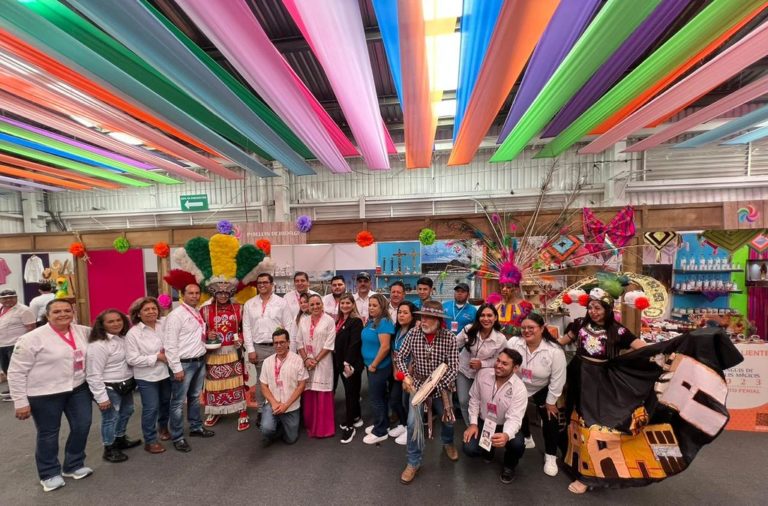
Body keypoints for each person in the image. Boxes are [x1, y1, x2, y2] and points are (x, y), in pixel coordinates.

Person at [559, 288, 645, 494]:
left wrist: (659, 351)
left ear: (608, 309)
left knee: (592, 424)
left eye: (598, 308)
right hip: (577, 374)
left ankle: (589, 475)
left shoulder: (618, 331)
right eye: (590, 307)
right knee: (573, 420)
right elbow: (562, 342)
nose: (593, 311)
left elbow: (639, 345)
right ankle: (574, 464)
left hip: (600, 380)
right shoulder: (579, 324)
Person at [8, 299, 93, 492]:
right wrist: (20, 401)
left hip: (77, 388)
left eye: (67, 310)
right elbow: (16, 372)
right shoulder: (31, 338)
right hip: (44, 393)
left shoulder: (82, 331)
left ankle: (74, 464)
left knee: (83, 425)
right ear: (47, 315)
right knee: (48, 433)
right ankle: (49, 473)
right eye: (57, 312)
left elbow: (107, 333)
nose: (63, 314)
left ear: (73, 312)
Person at [396, 301, 459, 484]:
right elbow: (399, 356)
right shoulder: (413, 333)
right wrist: (406, 376)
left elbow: (454, 367)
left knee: (449, 420)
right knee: (411, 424)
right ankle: (413, 462)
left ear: (438, 320)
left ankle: (448, 442)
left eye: (429, 317)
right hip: (417, 385)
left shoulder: (449, 338)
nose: (424, 320)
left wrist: (436, 387)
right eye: (423, 316)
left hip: (442, 386)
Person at [506, 313, 566, 477]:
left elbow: (558, 378)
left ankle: (551, 455)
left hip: (542, 387)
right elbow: (505, 361)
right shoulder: (514, 343)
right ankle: (527, 437)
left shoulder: (554, 351)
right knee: (519, 412)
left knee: (550, 418)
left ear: (541, 328)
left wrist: (551, 401)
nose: (526, 331)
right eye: (524, 328)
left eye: (531, 327)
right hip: (519, 385)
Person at [463, 349, 528, 484]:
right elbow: (474, 399)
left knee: (517, 445)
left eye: (505, 363)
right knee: (469, 448)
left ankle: (509, 466)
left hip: (505, 425)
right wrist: (473, 424)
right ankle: (488, 450)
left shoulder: (519, 389)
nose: (498, 365)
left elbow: (514, 418)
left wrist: (506, 435)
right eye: (498, 360)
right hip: (484, 422)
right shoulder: (483, 374)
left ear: (515, 368)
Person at [163, 283, 214, 453]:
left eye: (197, 293)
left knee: (194, 397)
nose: (194, 296)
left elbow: (191, 336)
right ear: (182, 294)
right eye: (190, 293)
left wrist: (208, 336)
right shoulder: (176, 316)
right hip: (184, 363)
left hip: (199, 360)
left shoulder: (196, 311)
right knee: (178, 402)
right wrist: (176, 368)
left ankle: (196, 427)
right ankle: (177, 436)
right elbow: (169, 345)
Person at [86, 309, 141, 463]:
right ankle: (109, 448)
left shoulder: (123, 339)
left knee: (127, 411)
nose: (116, 323)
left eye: (118, 320)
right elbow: (93, 374)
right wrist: (101, 397)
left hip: (125, 385)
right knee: (110, 418)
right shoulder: (98, 345)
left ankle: (120, 438)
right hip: (109, 387)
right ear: (102, 325)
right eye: (110, 321)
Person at [199, 283, 249, 432]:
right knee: (214, 383)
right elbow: (198, 330)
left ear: (230, 294)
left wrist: (240, 337)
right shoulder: (205, 310)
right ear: (214, 294)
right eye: (219, 293)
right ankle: (215, 411)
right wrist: (207, 334)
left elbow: (246, 328)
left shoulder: (240, 308)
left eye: (226, 294)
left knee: (236, 382)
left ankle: (242, 412)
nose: (223, 296)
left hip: (233, 351)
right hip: (213, 353)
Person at [125, 297, 171, 454]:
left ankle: (163, 428)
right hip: (146, 376)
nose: (151, 311)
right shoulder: (133, 333)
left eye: (154, 308)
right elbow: (132, 359)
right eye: (146, 309)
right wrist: (157, 357)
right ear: (138, 314)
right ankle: (150, 440)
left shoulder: (163, 324)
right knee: (151, 408)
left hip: (166, 373)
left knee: (166, 403)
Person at [243, 273, 292, 411]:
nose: (262, 285)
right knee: (261, 381)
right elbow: (246, 327)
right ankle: (261, 410)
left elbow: (288, 325)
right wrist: (250, 349)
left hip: (279, 347)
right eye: (259, 283)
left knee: (281, 379)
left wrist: (289, 348)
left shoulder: (281, 303)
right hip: (259, 348)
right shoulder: (249, 304)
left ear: (272, 284)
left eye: (265, 282)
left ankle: (282, 407)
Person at [455, 303, 507, 425]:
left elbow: (502, 360)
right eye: (482, 315)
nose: (486, 319)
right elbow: (453, 345)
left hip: (484, 373)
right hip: (464, 370)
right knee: (463, 401)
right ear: (478, 317)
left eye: (489, 315)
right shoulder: (469, 329)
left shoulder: (500, 339)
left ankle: (483, 427)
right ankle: (470, 427)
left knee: (483, 403)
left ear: (495, 317)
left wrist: (482, 364)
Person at [260, 329, 309, 446]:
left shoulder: (297, 360)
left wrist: (286, 405)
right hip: (273, 405)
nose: (279, 345)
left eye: (282, 342)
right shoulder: (267, 362)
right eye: (276, 343)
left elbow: (301, 385)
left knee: (291, 439)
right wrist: (274, 403)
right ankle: (270, 425)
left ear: (288, 343)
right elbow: (263, 386)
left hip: (290, 406)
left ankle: (281, 425)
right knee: (266, 429)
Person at [296, 294, 336, 438]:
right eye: (312, 304)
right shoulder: (304, 321)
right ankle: (310, 425)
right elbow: (299, 341)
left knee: (322, 393)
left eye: (318, 303)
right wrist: (306, 359)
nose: (315, 307)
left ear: (322, 304)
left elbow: (329, 344)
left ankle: (324, 429)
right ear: (308, 306)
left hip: (323, 362)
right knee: (309, 391)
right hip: (307, 362)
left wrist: (316, 360)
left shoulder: (329, 321)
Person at [361, 293, 394, 444]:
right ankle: (383, 424)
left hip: (379, 367)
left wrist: (374, 364)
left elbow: (385, 347)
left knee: (376, 399)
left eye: (375, 305)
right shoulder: (372, 321)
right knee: (379, 397)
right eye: (370, 305)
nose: (371, 308)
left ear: (382, 307)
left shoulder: (384, 322)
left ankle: (380, 431)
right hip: (371, 366)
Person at [333, 293, 364, 443]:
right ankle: (356, 417)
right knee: (350, 391)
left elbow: (355, 344)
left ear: (353, 305)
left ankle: (350, 427)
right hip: (341, 363)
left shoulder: (356, 321)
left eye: (348, 303)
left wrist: (347, 363)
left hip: (350, 365)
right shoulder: (339, 320)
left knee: (351, 395)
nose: (345, 305)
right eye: (342, 303)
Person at [389, 300, 418, 445]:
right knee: (394, 400)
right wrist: (395, 370)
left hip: (410, 375)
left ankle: (410, 430)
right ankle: (403, 424)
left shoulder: (415, 333)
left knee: (408, 402)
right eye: (399, 312)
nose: (401, 315)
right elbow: (394, 353)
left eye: (405, 313)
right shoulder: (397, 331)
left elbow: (414, 357)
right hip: (398, 372)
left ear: (412, 316)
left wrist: (407, 376)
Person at [0, 289, 35, 400]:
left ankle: (22, 392)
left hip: (16, 344)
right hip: (2, 344)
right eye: (5, 298)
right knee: (6, 368)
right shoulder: (1, 309)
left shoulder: (24, 310)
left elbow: (31, 329)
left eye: (11, 297)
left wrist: (28, 345)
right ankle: (13, 388)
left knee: (16, 369)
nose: (8, 300)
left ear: (16, 297)